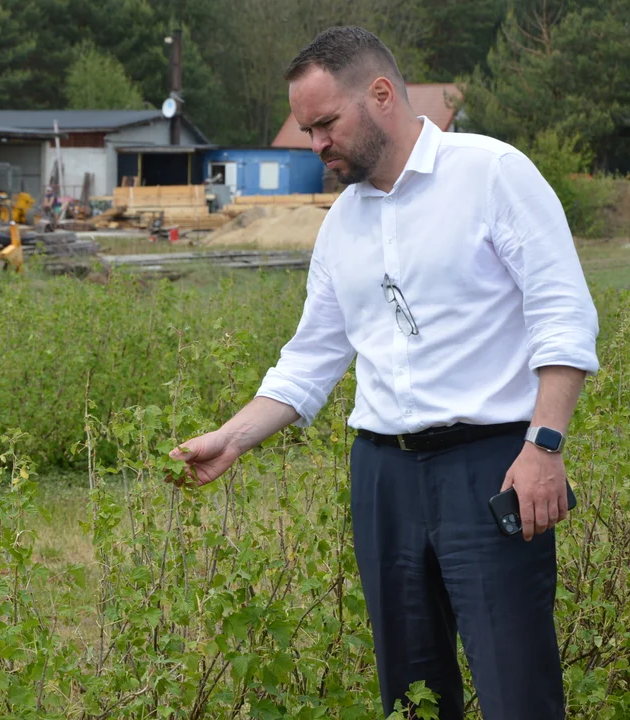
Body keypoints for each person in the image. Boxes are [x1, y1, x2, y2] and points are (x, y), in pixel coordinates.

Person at [168, 26, 598, 720]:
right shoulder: (342, 223)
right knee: (412, 693)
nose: (316, 145)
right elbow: (310, 358)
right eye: (307, 131)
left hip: (491, 467)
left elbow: (562, 316)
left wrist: (542, 447)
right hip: (382, 479)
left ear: (380, 95)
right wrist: (233, 436)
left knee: (515, 688)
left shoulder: (490, 173)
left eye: (325, 125)